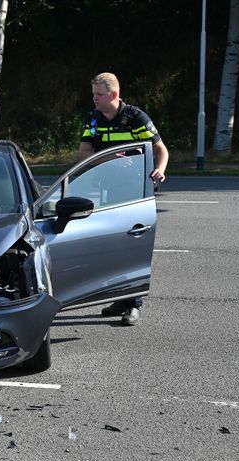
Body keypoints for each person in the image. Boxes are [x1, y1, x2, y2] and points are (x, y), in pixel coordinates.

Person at [78, 72, 169, 326]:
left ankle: (133, 304)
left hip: (135, 192)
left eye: (98, 94)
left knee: (133, 246)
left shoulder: (136, 117)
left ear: (113, 95)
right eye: (93, 93)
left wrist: (160, 169)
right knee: (113, 245)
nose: (94, 98)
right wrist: (109, 159)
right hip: (109, 191)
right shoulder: (93, 119)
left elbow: (161, 149)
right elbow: (85, 152)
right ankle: (120, 297)